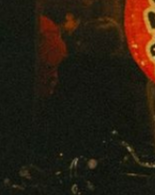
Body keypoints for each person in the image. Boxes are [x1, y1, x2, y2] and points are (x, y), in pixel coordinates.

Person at [47, 16, 149, 159]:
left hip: (78, 136)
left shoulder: (72, 67)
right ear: (118, 43)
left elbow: (60, 104)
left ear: (85, 42)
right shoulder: (128, 70)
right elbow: (136, 112)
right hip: (119, 138)